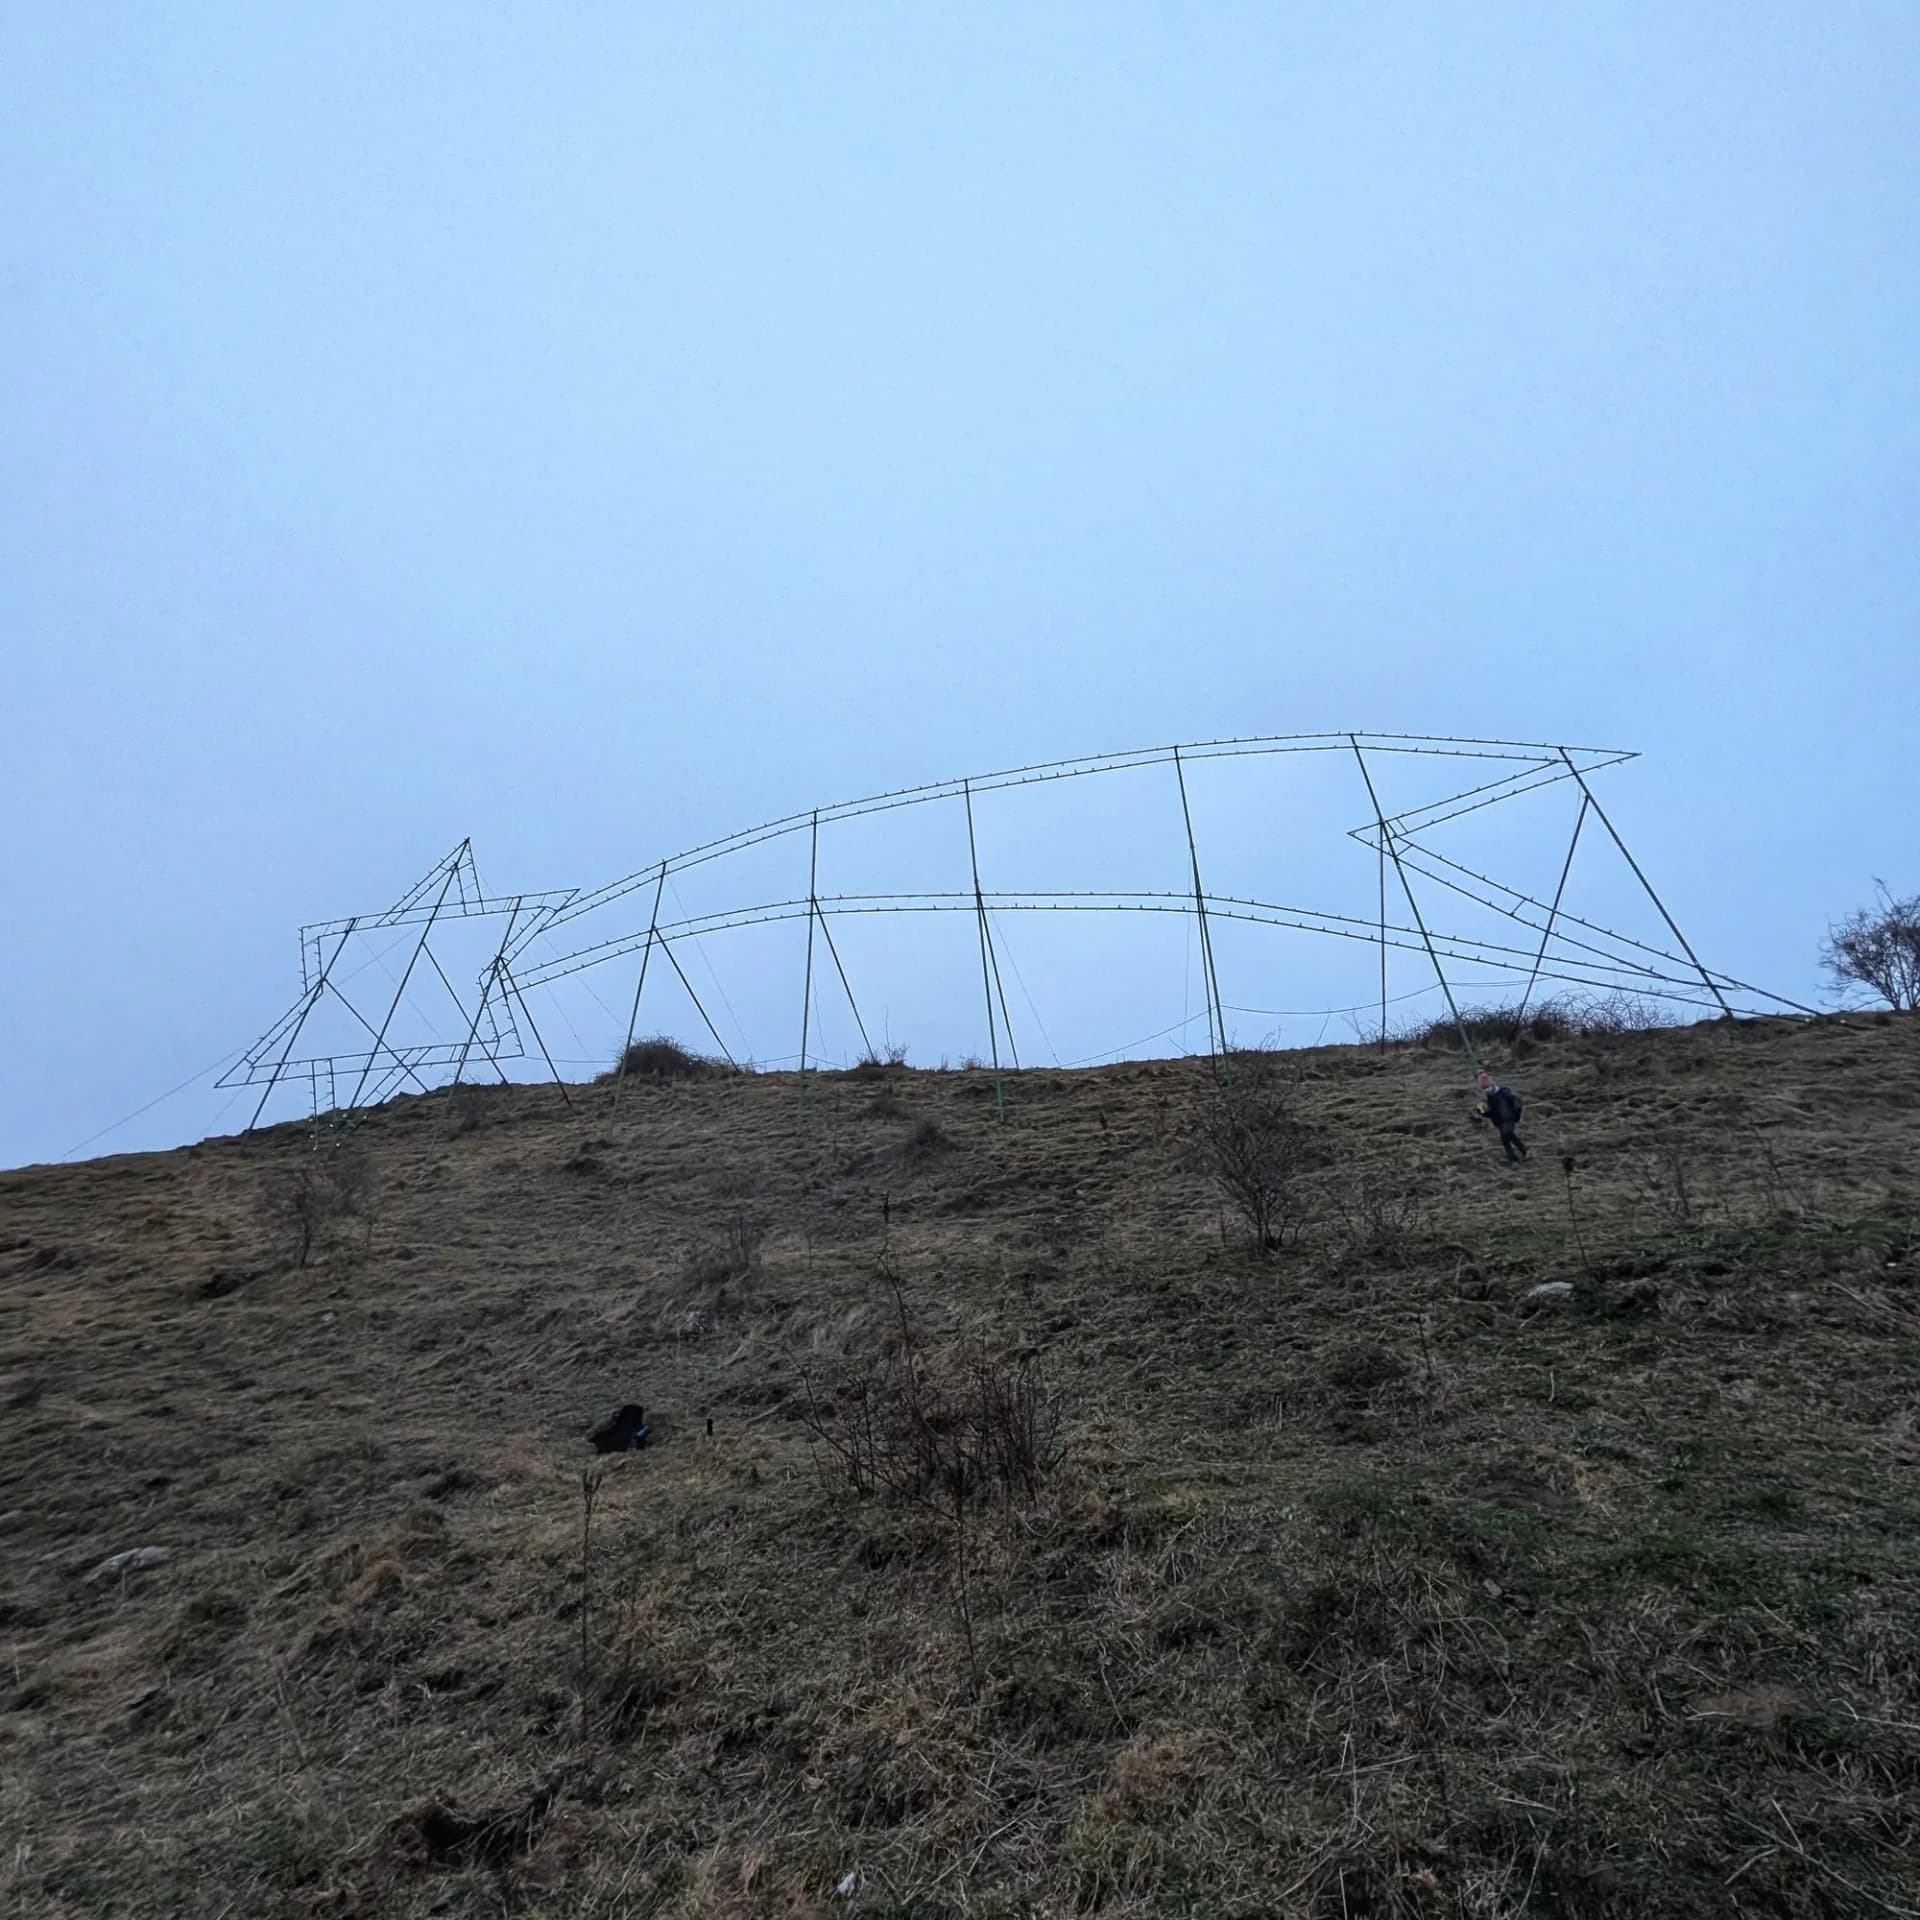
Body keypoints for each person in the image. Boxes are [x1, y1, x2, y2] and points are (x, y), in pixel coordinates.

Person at [1475, 1069, 1528, 1163]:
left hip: (1509, 1118)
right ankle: (1518, 1154)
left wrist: (1516, 1113)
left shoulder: (1504, 1092)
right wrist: (1482, 1112)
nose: (1487, 1091)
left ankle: (1518, 1155)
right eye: (1484, 1089)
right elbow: (1491, 1113)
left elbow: (1516, 1101)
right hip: (1500, 1122)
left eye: (1487, 1088)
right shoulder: (1489, 1099)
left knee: (1506, 1134)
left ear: (1492, 1085)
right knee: (1507, 1138)